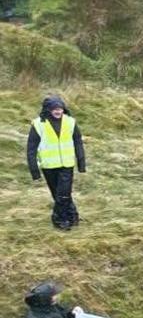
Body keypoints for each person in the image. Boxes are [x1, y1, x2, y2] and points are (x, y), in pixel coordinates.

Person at [26, 95, 85, 230]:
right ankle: (72, 215)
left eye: (60, 108)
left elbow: (78, 142)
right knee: (58, 194)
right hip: (49, 166)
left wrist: (81, 163)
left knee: (63, 194)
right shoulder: (38, 124)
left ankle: (59, 220)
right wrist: (34, 170)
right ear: (48, 110)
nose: (58, 111)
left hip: (66, 164)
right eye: (54, 109)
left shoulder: (70, 122)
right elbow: (31, 148)